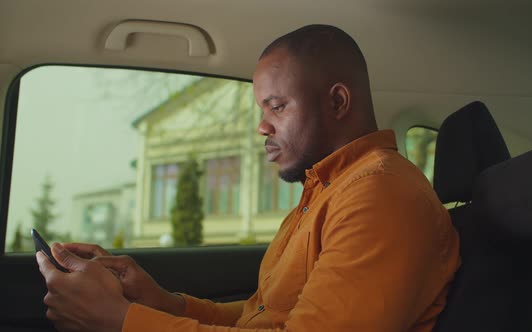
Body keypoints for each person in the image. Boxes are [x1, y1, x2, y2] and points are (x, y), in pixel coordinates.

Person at [36, 24, 460, 332]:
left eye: (277, 107)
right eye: (262, 111)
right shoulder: (326, 193)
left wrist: (119, 320)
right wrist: (160, 302)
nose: (262, 127)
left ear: (337, 101)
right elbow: (260, 319)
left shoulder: (381, 197)